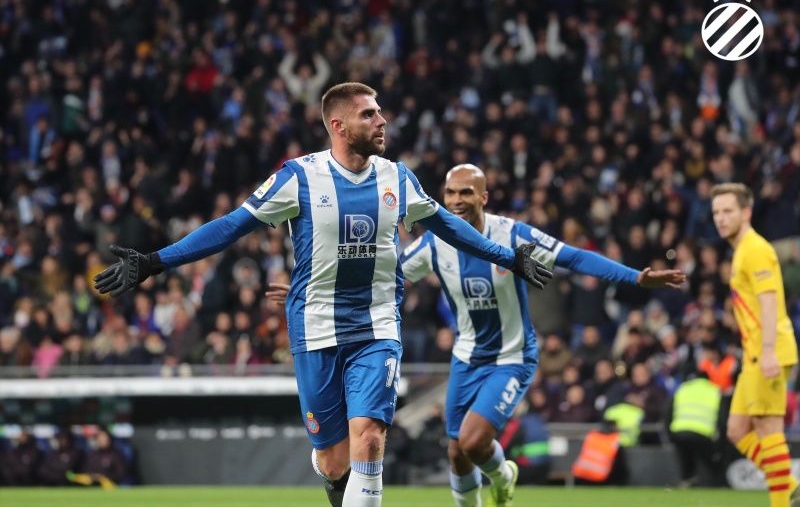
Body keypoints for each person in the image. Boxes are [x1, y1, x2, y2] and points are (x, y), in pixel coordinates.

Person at [93, 82, 551, 507]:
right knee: (334, 461)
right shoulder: (299, 178)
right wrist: (154, 261)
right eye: (369, 114)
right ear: (338, 125)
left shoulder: (398, 178)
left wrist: (508, 256)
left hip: (376, 326)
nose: (381, 121)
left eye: (380, 113)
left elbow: (448, 227)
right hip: (315, 330)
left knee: (368, 437)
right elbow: (230, 226)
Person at [271, 163, 684, 506]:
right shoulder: (435, 244)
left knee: (470, 441)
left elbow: (572, 257)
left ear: (484, 197)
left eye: (466, 193)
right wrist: (317, 289)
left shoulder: (514, 236)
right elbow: (384, 273)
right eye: (450, 194)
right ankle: (497, 479)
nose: (456, 201)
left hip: (511, 357)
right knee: (457, 452)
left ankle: (503, 476)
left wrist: (634, 278)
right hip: (466, 359)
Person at [711, 183, 800, 507]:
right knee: (736, 429)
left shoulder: (755, 249)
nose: (720, 219)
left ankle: (782, 501)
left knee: (767, 428)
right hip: (755, 353)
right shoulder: (741, 250)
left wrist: (768, 352)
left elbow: (770, 302)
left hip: (768, 349)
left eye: (728, 211)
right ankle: (789, 486)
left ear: (746, 212)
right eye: (716, 213)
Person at [667, 372, 722, 487]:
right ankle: (715, 484)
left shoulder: (683, 388)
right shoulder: (715, 390)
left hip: (679, 431)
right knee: (710, 462)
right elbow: (722, 417)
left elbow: (668, 412)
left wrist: (670, 433)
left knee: (686, 461)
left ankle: (686, 481)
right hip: (703, 432)